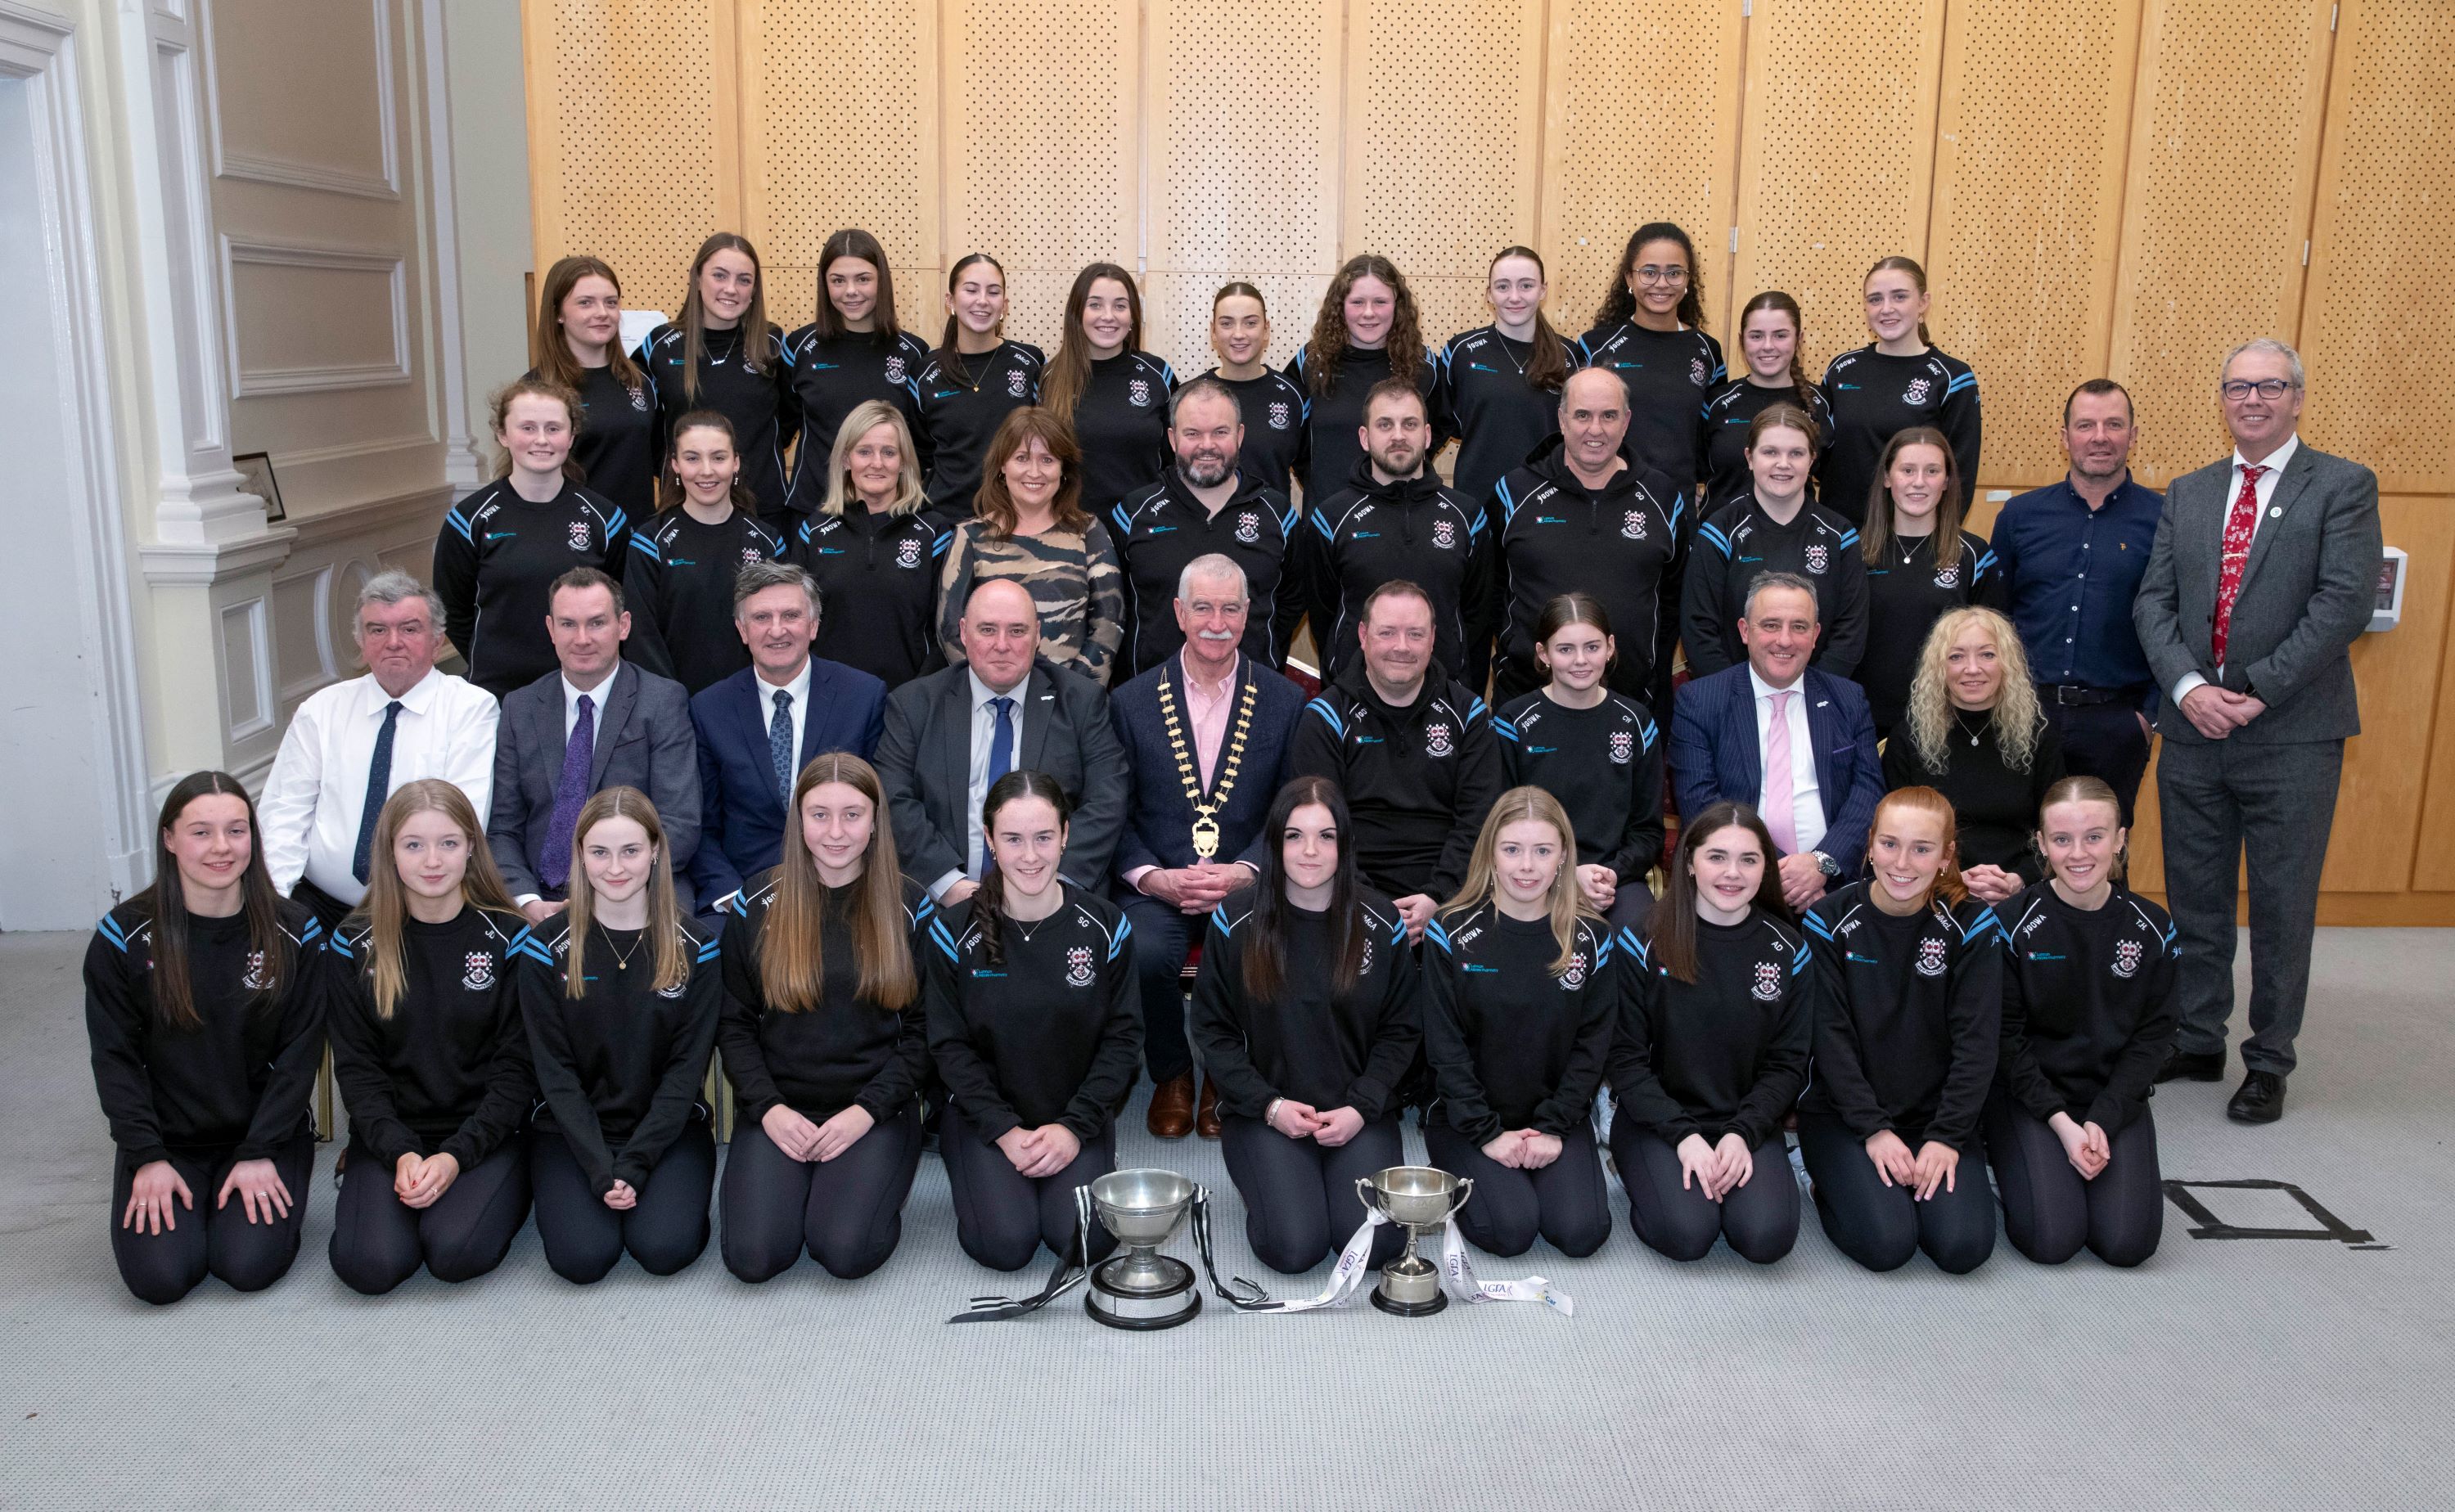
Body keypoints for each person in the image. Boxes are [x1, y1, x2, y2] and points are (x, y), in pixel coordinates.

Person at [2133, 337, 2381, 1123]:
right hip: (2194, 728)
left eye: (2269, 386)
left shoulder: (2342, 486)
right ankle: (2200, 1036)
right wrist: (2188, 686)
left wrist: (2253, 691)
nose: (2252, 400)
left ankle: (2270, 1058)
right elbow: (2154, 603)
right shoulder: (2191, 491)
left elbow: (2342, 605)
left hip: (2293, 735)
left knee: (2280, 904)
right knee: (2196, 898)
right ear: (2223, 399)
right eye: (2237, 387)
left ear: (2297, 398)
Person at [84, 772, 325, 1304]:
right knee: (160, 1280)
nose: (221, 848)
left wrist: (262, 1150)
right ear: (169, 839)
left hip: (265, 1137)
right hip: (167, 1144)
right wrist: (146, 1156)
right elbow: (115, 1059)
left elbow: (299, 1055)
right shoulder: (120, 937)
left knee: (247, 1266)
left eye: (236, 831)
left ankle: (252, 1190)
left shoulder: (296, 931)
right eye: (201, 832)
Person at [1108, 555, 1305, 1139]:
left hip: (1248, 882)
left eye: (1229, 608)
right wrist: (1150, 877)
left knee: (1253, 944)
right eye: (1203, 608)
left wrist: (1247, 870)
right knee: (1142, 953)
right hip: (1160, 882)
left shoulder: (1284, 701)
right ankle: (1172, 1074)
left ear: (1247, 615)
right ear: (1179, 613)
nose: (1216, 622)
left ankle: (1226, 1073)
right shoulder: (1131, 700)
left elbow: (1294, 810)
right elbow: (1111, 811)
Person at [717, 754, 933, 1283]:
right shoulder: (755, 904)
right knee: (754, 1258)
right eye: (819, 815)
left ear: (877, 820)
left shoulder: (911, 906)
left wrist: (866, 1112)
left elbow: (930, 1034)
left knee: (842, 1251)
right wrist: (768, 1110)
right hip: (780, 1108)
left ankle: (857, 1183)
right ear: (798, 820)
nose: (836, 832)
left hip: (872, 1110)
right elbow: (734, 1024)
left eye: (853, 814)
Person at [1191, 776, 1417, 1275]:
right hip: (1266, 1110)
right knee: (1295, 1249)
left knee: (1374, 1251)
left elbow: (1402, 1030)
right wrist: (1269, 1107)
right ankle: (1280, 1179)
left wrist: (1361, 1107)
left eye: (1326, 836)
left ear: (1345, 844)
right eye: (1294, 836)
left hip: (1357, 1111)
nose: (1310, 851)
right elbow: (1214, 1031)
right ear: (1275, 843)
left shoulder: (1381, 920)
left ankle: (1321, 1176)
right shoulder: (1236, 920)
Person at [924, 772, 1142, 1271]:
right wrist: (1003, 1131)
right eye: (1013, 839)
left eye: (1044, 837)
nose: (1030, 856)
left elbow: (1123, 1039)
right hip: (985, 1119)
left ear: (1066, 834)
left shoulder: (1107, 925)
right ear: (988, 840)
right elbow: (947, 1046)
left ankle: (1081, 1160)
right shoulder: (951, 932)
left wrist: (1073, 1127)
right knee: (1004, 1246)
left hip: (1074, 1115)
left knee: (1081, 1242)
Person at [325, 780, 534, 1294]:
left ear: (471, 848)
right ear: (390, 852)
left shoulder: (511, 938)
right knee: (369, 1267)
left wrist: (456, 1155)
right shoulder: (354, 942)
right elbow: (357, 1069)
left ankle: (509, 1185)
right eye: (413, 844)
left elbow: (518, 1069)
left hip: (487, 1135)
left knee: (453, 1253)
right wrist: (399, 1152)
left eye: (448, 843)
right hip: (392, 1136)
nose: (432, 861)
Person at [515, 788, 721, 1284]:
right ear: (580, 857)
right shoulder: (544, 948)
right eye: (599, 852)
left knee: (663, 1250)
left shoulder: (699, 947)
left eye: (630, 851)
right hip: (570, 1133)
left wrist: (636, 1162)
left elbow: (684, 1073)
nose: (615, 868)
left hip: (668, 1132)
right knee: (582, 1260)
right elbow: (554, 1073)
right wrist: (600, 1166)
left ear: (655, 851)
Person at [1796, 786, 2001, 1275]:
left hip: (1937, 1120)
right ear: (1869, 844)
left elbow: (1977, 1044)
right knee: (1889, 1245)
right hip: (1846, 1116)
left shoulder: (1972, 926)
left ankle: (1921, 1168)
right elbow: (1830, 1040)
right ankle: (1824, 1179)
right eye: (1889, 844)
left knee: (1962, 1248)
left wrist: (1948, 1137)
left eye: (1922, 848)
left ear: (1948, 856)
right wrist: (1873, 1130)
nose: (1902, 862)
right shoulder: (1827, 920)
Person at [1989, 776, 2178, 1267]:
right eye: (2062, 839)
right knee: (2053, 1240)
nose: (2079, 854)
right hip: (2031, 1098)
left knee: (2126, 1245)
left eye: (2094, 836)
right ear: (2042, 844)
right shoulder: (2010, 923)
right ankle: (2010, 1163)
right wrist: (2063, 1125)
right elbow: (2005, 1040)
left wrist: (2104, 1117)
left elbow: (2153, 1036)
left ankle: (2070, 1158)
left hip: (2112, 1095)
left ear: (2120, 840)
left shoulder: (2153, 926)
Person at [1607, 803, 1808, 1265]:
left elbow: (1787, 1064)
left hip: (1747, 1124)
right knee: (1687, 1235)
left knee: (1765, 1240)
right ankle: (1635, 1166)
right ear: (1690, 862)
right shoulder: (1642, 939)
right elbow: (1625, 1061)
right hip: (1658, 1122)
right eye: (1717, 857)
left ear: (1765, 869)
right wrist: (1683, 1137)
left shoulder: (1789, 949)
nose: (1732, 873)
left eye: (1749, 860)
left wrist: (1743, 1133)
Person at [1422, 787, 1615, 1259]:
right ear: (1490, 853)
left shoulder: (1592, 938)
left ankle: (1537, 1165)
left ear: (1563, 857)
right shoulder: (1450, 931)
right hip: (1466, 1119)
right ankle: (1485, 1173)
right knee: (1511, 1232)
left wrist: (1554, 1127)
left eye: (1542, 851)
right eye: (1512, 850)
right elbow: (1444, 1048)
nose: (1526, 866)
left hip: (1555, 1118)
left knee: (1581, 1233)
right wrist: (1487, 1133)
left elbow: (1594, 1045)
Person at [259, 572, 500, 929]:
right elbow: (284, 813)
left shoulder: (471, 709)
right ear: (360, 641)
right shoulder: (321, 710)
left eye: (409, 629)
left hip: (421, 907)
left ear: (437, 641)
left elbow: (463, 819)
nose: (393, 642)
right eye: (377, 630)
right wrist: (274, 906)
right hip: (321, 907)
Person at [876, 578, 1132, 906]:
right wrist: (950, 886)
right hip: (943, 904)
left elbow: (1106, 800)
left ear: (1038, 634)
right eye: (987, 630)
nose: (1002, 645)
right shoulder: (913, 705)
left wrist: (1048, 889)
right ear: (964, 632)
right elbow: (893, 800)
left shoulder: (1082, 702)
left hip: (1057, 903)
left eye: (1017, 631)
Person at [1287, 580, 1504, 942]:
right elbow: (1319, 829)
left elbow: (1479, 821)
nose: (1401, 647)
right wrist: (1371, 905)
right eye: (1387, 633)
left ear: (1433, 637)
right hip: (1346, 888)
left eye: (1415, 634)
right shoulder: (1326, 717)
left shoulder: (1470, 715)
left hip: (1452, 891)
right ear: (1363, 634)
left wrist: (1439, 897)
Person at [1992, 379, 2166, 821]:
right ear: (2065, 435)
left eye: (2114, 424)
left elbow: (2176, 621)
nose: (2100, 437)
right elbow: (1996, 618)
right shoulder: (2020, 517)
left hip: (2117, 722)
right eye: (2085, 425)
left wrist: (2147, 717)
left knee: (2104, 856)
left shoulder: (2165, 520)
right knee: (2021, 848)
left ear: (2133, 434)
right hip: (2027, 716)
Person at [490, 569, 702, 917]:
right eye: (568, 624)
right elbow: (502, 827)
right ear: (550, 630)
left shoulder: (662, 701)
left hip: (639, 888)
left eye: (597, 623)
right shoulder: (520, 707)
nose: (582, 638)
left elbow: (679, 822)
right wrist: (527, 901)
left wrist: (607, 892)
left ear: (624, 626)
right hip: (540, 897)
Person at [1669, 574, 1884, 912]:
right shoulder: (1701, 700)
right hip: (1735, 884)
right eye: (1770, 625)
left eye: (1799, 627)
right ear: (1744, 631)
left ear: (1815, 636)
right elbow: (1701, 804)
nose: (1784, 640)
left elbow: (1868, 792)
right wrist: (1777, 871)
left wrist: (1820, 865)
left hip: (1835, 886)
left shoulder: (1848, 698)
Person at [686, 561, 889, 906]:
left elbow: (881, 813)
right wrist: (736, 900)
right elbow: (702, 826)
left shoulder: (863, 697)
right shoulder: (709, 709)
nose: (777, 631)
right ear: (742, 630)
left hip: (846, 891)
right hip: (745, 894)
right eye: (762, 618)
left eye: (791, 616)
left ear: (813, 626)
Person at [1486, 366, 1684, 709]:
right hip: (1525, 702)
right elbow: (1489, 592)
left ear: (1626, 421)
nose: (1596, 429)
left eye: (1609, 415)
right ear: (1562, 420)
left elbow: (1674, 599)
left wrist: (1650, 668)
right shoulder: (1514, 493)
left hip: (1632, 704)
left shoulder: (1663, 497)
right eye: (1582, 415)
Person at [435, 376, 631, 699]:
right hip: (498, 692)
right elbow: (452, 610)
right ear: (502, 435)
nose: (541, 439)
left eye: (553, 428)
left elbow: (624, 603)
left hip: (586, 691)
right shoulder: (469, 520)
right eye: (527, 428)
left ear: (571, 436)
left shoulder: (606, 520)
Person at [1297, 378, 1492, 687]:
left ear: (1427, 435)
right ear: (1365, 437)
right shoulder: (1331, 518)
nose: (1398, 436)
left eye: (1410, 424)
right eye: (1385, 425)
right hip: (1355, 698)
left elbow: (1477, 617)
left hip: (1444, 696)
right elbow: (1325, 615)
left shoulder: (1467, 516)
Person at [1109, 377, 1304, 674]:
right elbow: (1113, 608)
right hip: (1152, 701)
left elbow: (1291, 603)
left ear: (1239, 435)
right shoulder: (1133, 515)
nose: (1207, 446)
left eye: (1220, 432)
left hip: (1253, 698)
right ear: (1173, 439)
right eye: (1193, 434)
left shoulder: (1279, 515)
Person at [1494, 594, 1664, 931]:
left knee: (1643, 932)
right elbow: (1498, 822)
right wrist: (1563, 874)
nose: (1580, 660)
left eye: (1592, 647)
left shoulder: (1635, 722)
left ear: (1610, 647)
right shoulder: (1513, 722)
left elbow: (1648, 831)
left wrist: (1610, 873)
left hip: (1613, 878)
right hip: (1531, 874)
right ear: (1543, 653)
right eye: (1565, 649)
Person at [1882, 606, 2065, 904]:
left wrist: (2019, 879)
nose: (1972, 668)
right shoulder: (1909, 738)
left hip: (2023, 891)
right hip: (1932, 893)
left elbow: (2057, 830)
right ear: (1938, 667)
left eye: (1987, 654)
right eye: (1956, 656)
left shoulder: (2038, 737)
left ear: (2007, 663)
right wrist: (1951, 880)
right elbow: (1893, 837)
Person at [936, 407, 1128, 686]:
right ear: (1003, 466)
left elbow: (1109, 625)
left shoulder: (1088, 531)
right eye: (1022, 458)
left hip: (1072, 705)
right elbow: (951, 630)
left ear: (1063, 469)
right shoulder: (971, 536)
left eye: (1047, 459)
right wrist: (994, 689)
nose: (1034, 472)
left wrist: (1071, 696)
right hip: (992, 700)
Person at [1683, 404, 1868, 680]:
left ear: (1812, 459)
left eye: (1796, 453)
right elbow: (1699, 630)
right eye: (1770, 452)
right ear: (1749, 457)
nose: (1783, 464)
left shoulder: (1840, 536)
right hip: (1734, 696)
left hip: (1817, 698)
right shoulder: (1720, 532)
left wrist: (1812, 696)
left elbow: (1850, 633)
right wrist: (1737, 695)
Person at [637, 232, 795, 533]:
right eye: (719, 276)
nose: (731, 289)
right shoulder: (660, 346)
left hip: (765, 510)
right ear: (697, 279)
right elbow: (644, 423)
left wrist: (754, 451)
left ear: (754, 290)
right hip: (684, 510)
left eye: (744, 280)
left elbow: (790, 416)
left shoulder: (772, 344)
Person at [621, 408, 786, 696]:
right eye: (692, 458)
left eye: (719, 457)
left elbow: (780, 629)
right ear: (674, 465)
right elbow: (642, 639)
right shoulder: (650, 544)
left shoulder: (768, 542)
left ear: (735, 463)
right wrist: (672, 704)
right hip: (677, 708)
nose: (706, 470)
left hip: (753, 704)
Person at [791, 402, 952, 689]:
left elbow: (946, 628)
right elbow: (796, 621)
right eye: (864, 452)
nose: (877, 463)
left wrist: (918, 693)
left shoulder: (935, 533)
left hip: (908, 699)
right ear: (845, 459)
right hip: (830, 697)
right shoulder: (814, 531)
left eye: (889, 453)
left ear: (903, 462)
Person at [782, 228, 936, 521]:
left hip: (892, 515)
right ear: (825, 285)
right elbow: (781, 426)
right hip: (814, 510)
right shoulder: (799, 348)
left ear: (882, 282)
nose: (851, 291)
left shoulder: (913, 353)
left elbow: (921, 445)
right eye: (838, 280)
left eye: (863, 279)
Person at [1858, 427, 2002, 736]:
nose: (1919, 482)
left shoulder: (1975, 556)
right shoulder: (1855, 552)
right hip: (1864, 719)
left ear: (1947, 481)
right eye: (1907, 470)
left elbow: (1993, 649)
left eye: (1932, 471)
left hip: (1946, 721)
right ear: (1887, 478)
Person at [1818, 255, 1981, 525]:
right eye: (1875, 299)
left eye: (1899, 297)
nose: (1886, 308)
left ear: (1923, 303)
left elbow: (1960, 472)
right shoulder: (1842, 369)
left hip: (1908, 536)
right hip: (1841, 531)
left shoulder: (1953, 378)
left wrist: (1938, 540)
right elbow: (1824, 454)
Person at [1574, 222, 1726, 504]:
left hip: (1677, 508)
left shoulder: (1707, 351)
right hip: (1604, 503)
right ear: (1629, 279)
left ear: (1688, 280)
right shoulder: (1594, 347)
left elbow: (1709, 439)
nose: (1661, 283)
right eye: (1649, 272)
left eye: (1674, 273)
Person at [1287, 254, 1444, 506]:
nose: (1369, 313)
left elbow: (1435, 431)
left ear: (1398, 306)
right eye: (1357, 302)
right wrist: (1321, 480)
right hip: (1328, 514)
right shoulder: (1311, 362)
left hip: (1401, 514)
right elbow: (1291, 438)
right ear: (1340, 306)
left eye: (1380, 302)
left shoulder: (1424, 367)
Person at [1435, 245, 1572, 508]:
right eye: (1502, 286)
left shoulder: (1571, 355)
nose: (1514, 297)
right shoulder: (1460, 353)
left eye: (1526, 286)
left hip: (1550, 506)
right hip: (1478, 504)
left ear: (1543, 290)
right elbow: (1438, 429)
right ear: (1489, 294)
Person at [1038, 261, 1177, 519]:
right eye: (1095, 305)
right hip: (1070, 530)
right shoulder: (1049, 377)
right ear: (1077, 313)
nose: (1108, 316)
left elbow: (1176, 461)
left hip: (1144, 528)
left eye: (1120, 306)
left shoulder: (1158, 375)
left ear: (1133, 316)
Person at [527, 254, 656, 520]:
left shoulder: (641, 381)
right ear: (558, 313)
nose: (602, 313)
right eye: (585, 303)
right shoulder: (536, 390)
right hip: (574, 540)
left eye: (611, 303)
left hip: (637, 541)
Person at [913, 254, 1044, 512]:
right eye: (971, 290)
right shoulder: (923, 373)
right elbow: (920, 452)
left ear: (1005, 304)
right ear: (950, 300)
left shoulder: (1030, 363)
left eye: (993, 292)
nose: (982, 300)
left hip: (1015, 517)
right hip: (945, 519)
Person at [1696, 290, 1833, 514]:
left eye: (1780, 335)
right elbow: (1694, 468)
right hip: (1721, 543)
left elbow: (1835, 478)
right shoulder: (1716, 402)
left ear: (1799, 339)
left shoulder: (1822, 403)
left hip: (1794, 541)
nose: (1767, 346)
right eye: (1756, 336)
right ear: (1742, 341)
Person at [1199, 282, 1305, 494]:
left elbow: (1308, 468)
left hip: (1272, 526)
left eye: (1250, 323)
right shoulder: (1190, 397)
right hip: (1204, 526)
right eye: (1227, 323)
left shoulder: (1294, 398)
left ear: (1266, 330)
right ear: (1213, 331)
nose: (1239, 334)